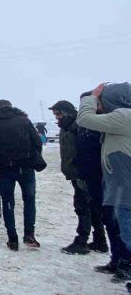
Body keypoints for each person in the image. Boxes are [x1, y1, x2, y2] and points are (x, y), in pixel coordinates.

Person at [76, 83, 131, 291]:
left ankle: (125, 263)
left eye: (101, 101)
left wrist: (91, 96)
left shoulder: (124, 116)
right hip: (117, 185)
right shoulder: (121, 118)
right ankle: (118, 260)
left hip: (125, 188)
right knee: (120, 229)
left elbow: (85, 118)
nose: (98, 104)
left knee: (127, 231)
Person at [0, 99, 43, 251]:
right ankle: (29, 234)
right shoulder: (23, 120)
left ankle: (12, 239)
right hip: (25, 167)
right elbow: (37, 142)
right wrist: (33, 157)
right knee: (29, 200)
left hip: (4, 169)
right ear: (11, 107)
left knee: (8, 202)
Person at [51, 100, 105, 255]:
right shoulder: (66, 126)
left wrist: (80, 165)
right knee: (90, 205)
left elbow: (86, 149)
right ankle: (100, 240)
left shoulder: (79, 125)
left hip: (83, 172)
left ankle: (82, 240)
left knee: (83, 205)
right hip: (76, 172)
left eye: (58, 114)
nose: (57, 117)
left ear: (66, 112)